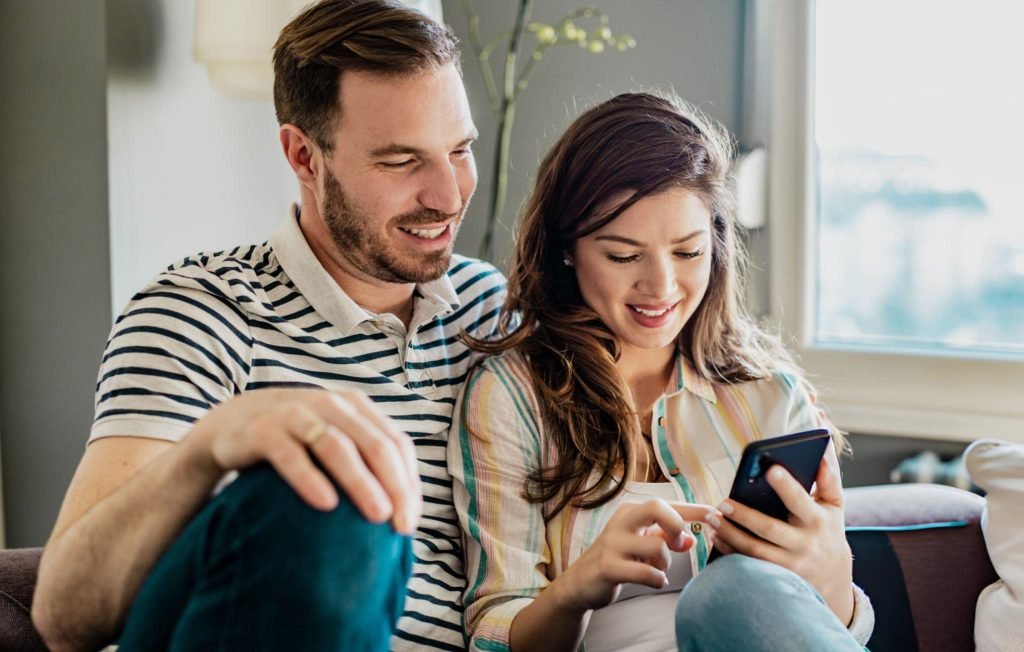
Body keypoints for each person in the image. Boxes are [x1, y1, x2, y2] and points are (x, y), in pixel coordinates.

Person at [32, 1, 505, 650]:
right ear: (304, 156)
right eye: (400, 162)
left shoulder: (495, 310)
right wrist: (214, 443)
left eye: (460, 149)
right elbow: (62, 614)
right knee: (331, 489)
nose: (448, 195)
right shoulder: (198, 311)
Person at [448, 92, 875, 652]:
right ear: (567, 250)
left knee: (736, 591)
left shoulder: (769, 396)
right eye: (623, 256)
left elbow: (821, 626)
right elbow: (493, 630)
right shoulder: (510, 398)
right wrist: (577, 589)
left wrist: (833, 574)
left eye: (688, 252)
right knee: (730, 590)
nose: (662, 287)